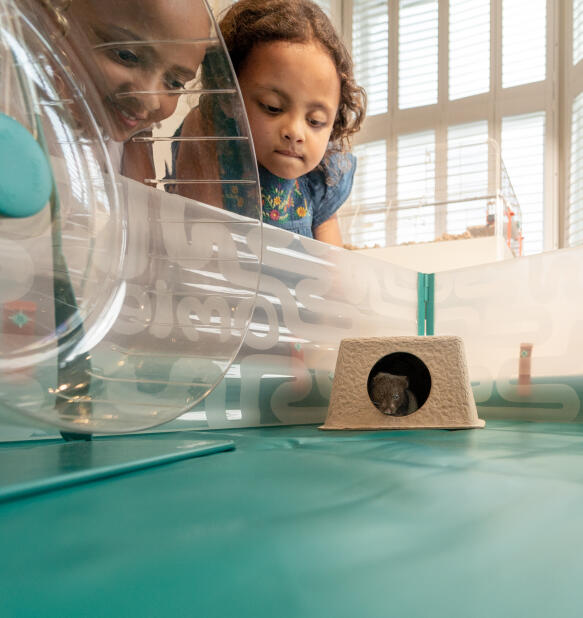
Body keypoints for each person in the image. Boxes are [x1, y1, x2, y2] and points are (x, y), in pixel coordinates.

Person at [174, 0, 366, 244]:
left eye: (316, 121)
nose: (295, 132)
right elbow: (203, 241)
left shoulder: (322, 174)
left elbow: (331, 271)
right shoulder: (208, 134)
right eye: (272, 107)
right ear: (227, 95)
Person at [36, 0, 211, 183]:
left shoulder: (119, 135)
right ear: (52, 21)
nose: (150, 100)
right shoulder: (14, 103)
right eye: (126, 55)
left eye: (175, 82)